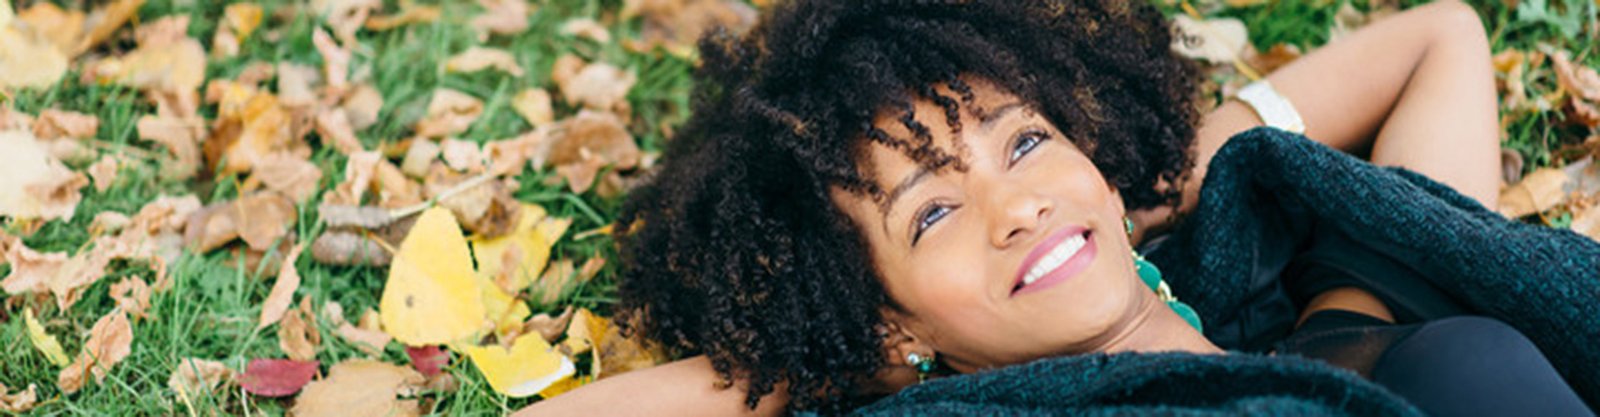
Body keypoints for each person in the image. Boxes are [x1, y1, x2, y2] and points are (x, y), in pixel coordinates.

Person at [517, 0, 1597, 415]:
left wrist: (1117, 195)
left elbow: (1435, 37)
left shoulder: (1333, 298)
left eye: (1024, 142)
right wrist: (837, 356)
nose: (1016, 205)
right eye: (930, 214)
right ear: (889, 320)